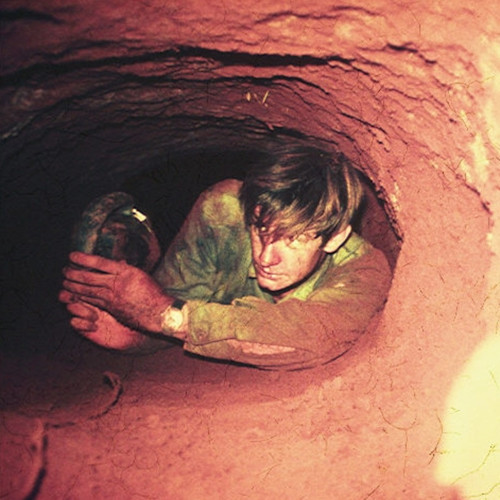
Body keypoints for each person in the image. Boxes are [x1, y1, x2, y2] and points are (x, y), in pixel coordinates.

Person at [60, 145, 392, 370]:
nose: (266, 257)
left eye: (293, 240)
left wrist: (159, 316)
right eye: (260, 231)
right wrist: (137, 335)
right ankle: (139, 237)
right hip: (201, 246)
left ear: (334, 237)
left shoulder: (361, 269)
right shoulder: (225, 211)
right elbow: (178, 304)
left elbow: (315, 337)